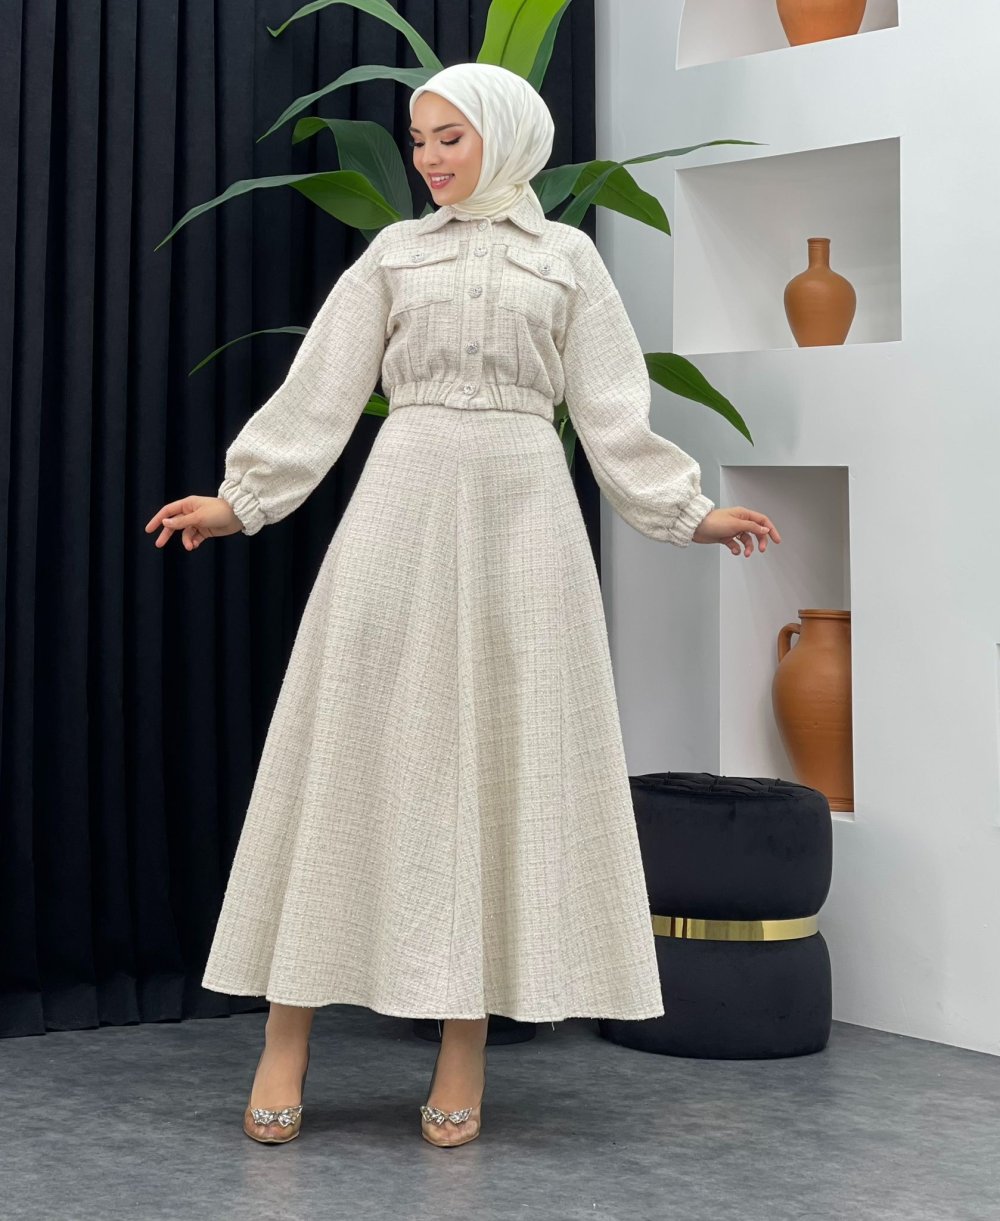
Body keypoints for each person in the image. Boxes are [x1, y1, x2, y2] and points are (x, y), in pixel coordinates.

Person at [145, 62, 780, 1149]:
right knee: (347, 754)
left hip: (525, 519)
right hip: (401, 500)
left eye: (452, 137)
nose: (430, 158)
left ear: (507, 137)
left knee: (497, 763)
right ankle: (285, 1036)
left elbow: (613, 409)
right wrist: (240, 501)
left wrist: (687, 511)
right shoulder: (395, 253)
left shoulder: (567, 259)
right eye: (420, 138)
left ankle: (463, 1045)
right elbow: (321, 389)